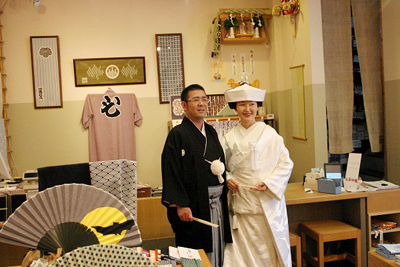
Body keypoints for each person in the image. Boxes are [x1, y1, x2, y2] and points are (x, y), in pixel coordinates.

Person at [222, 82, 294, 267]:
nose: (248, 109)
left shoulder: (270, 134)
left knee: (266, 253)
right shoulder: (228, 137)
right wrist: (228, 179)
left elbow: (285, 163)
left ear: (257, 106)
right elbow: (223, 168)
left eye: (252, 104)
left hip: (265, 204)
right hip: (240, 204)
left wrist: (270, 183)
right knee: (240, 255)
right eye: (242, 104)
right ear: (235, 108)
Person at [161, 84, 232, 267]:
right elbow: (171, 171)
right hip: (192, 205)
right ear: (184, 106)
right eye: (196, 100)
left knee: (216, 248)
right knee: (193, 250)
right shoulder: (177, 134)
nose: (202, 104)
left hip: (215, 204)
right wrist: (180, 204)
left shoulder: (211, 131)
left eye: (204, 99)